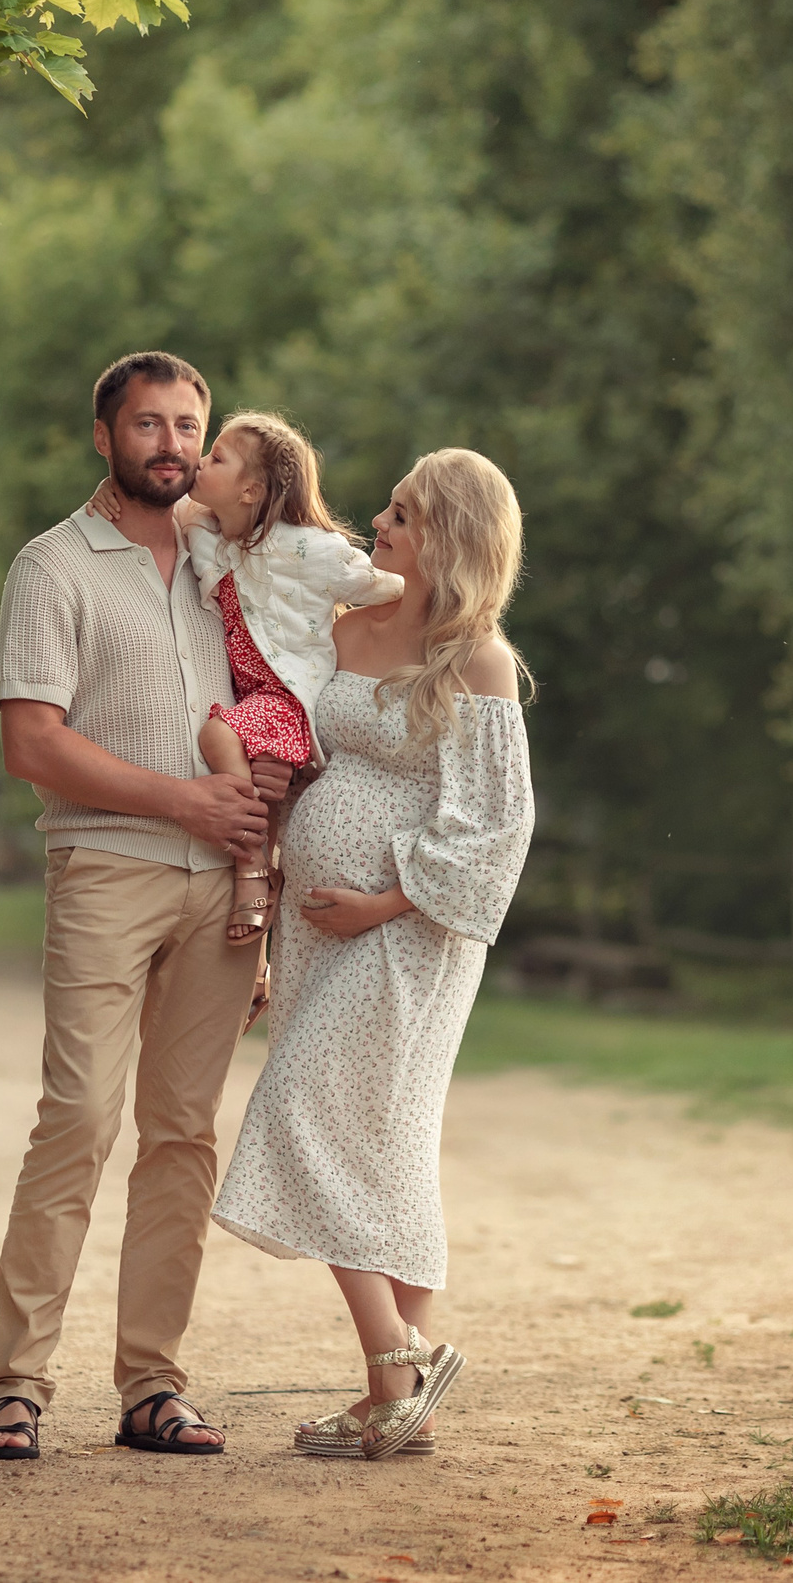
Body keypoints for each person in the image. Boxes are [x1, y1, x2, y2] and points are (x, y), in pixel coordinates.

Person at [0, 352, 295, 1463]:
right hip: (107, 869)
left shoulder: (228, 569)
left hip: (226, 893)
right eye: (147, 424)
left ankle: (153, 1385)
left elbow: (274, 720)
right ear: (102, 438)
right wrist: (187, 803)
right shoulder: (52, 567)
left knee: (182, 1137)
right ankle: (16, 1386)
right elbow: (33, 743)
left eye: (187, 425)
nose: (170, 444)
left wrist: (259, 878)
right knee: (79, 1121)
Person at [208, 448, 537, 1461]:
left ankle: (401, 1360)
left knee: (304, 1104)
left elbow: (494, 827)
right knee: (387, 1147)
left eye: (402, 515)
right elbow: (308, 753)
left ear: (451, 538)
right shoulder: (344, 630)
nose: (380, 527)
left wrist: (385, 901)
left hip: (413, 931)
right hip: (317, 923)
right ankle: (392, 1398)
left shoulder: (475, 659)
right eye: (389, 510)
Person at [86, 411, 404, 943]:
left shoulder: (307, 549)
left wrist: (454, 596)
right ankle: (263, 902)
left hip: (284, 695)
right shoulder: (209, 533)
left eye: (216, 458)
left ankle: (251, 867)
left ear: (252, 488)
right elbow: (165, 498)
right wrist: (106, 487)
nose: (200, 462)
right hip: (248, 695)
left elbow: (383, 585)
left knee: (216, 734)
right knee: (260, 783)